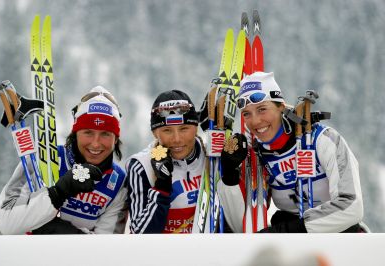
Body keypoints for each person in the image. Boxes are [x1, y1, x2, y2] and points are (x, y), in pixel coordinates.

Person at [218, 71, 366, 233]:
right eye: (247, 114)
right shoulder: (257, 156)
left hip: (342, 238)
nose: (255, 121)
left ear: (280, 106)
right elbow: (243, 227)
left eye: (262, 109)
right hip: (294, 246)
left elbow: (352, 206)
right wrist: (229, 176)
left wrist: (293, 229)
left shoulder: (322, 140)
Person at [0, 86, 128, 234]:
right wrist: (57, 193)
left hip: (76, 257)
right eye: (88, 132)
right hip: (32, 255)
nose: (96, 143)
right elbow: (6, 223)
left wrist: (68, 234)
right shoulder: (42, 159)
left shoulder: (119, 183)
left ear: (115, 139)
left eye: (105, 134)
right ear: (75, 133)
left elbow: (108, 246)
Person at [126, 90, 207, 233]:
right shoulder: (141, 166)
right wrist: (162, 187)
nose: (176, 139)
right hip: (164, 253)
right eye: (167, 130)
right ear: (155, 133)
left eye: (184, 129)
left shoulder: (211, 157)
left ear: (196, 128)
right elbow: (138, 234)